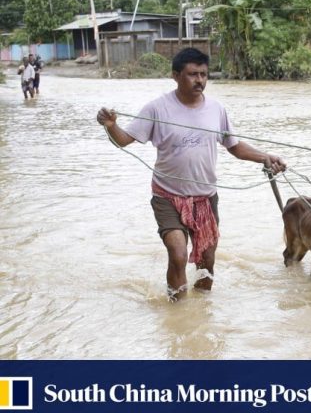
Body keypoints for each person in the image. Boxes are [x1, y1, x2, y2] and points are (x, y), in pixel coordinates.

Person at [96, 47, 286, 302]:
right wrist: (111, 126)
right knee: (177, 254)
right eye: (192, 74)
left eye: (204, 75)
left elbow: (235, 147)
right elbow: (124, 140)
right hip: (168, 196)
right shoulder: (157, 108)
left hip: (205, 198)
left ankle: (202, 311)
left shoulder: (216, 109)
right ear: (175, 76)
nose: (199, 80)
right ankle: (178, 311)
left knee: (207, 261)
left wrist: (265, 157)